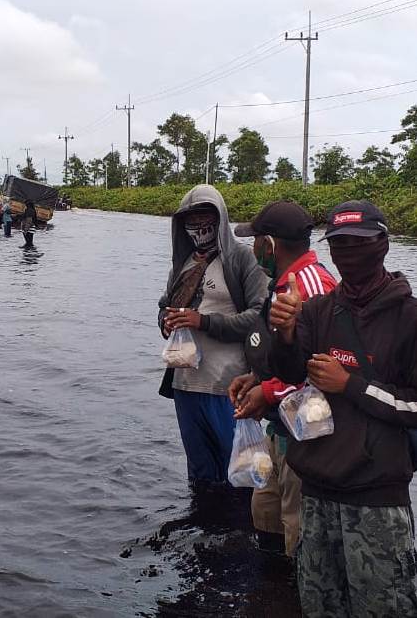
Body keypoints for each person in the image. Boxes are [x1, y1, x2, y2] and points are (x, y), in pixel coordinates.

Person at [269, 200, 417, 615]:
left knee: (384, 607)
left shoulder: (409, 318)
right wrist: (284, 332)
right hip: (317, 492)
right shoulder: (318, 310)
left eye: (358, 242)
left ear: (383, 245)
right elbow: (288, 371)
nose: (348, 253)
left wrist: (351, 384)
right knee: (319, 606)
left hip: (377, 499)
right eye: (339, 244)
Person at [227, 200, 336, 556]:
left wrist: (268, 392)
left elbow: (322, 366)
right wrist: (254, 377)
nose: (253, 248)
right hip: (278, 426)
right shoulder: (281, 286)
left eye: (256, 240)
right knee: (266, 513)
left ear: (270, 245)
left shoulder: (312, 287)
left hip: (304, 434)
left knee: (297, 525)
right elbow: (283, 353)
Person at [158, 184, 268, 485]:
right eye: (191, 221)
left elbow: (260, 317)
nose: (198, 227)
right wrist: (166, 322)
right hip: (185, 385)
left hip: (228, 386)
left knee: (241, 473)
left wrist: (204, 322)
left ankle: (242, 531)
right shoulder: (182, 264)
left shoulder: (241, 260)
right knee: (201, 474)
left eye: (206, 217)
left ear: (220, 218)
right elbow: (164, 306)